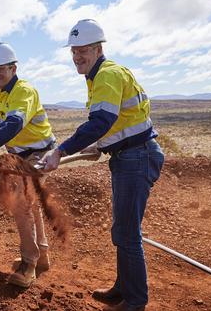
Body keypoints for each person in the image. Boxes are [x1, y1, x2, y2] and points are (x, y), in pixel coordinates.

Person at [40, 19, 164, 311]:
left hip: (137, 157)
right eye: (73, 51)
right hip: (128, 155)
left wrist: (61, 151)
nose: (77, 57)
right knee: (123, 229)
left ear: (98, 49)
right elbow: (116, 122)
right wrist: (102, 144)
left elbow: (101, 121)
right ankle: (123, 289)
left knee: (128, 233)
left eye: (83, 50)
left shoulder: (106, 75)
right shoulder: (101, 76)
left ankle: (135, 301)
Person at [0, 42, 55, 288]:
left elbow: (14, 123)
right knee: (30, 203)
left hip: (38, 154)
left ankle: (29, 264)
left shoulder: (23, 91)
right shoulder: (0, 93)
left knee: (21, 202)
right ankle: (42, 255)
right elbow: (7, 126)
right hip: (19, 155)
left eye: (0, 69)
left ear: (13, 68)